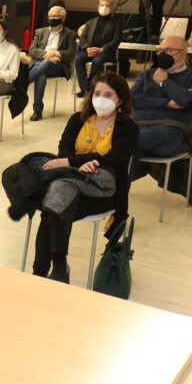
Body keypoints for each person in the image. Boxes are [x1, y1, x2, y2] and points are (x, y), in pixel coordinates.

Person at [31, 72, 138, 283]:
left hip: (102, 191)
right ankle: (57, 268)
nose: (101, 99)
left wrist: (76, 161)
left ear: (120, 100)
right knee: (56, 205)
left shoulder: (129, 129)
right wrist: (79, 162)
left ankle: (42, 273)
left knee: (53, 203)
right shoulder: (77, 119)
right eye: (97, 93)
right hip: (71, 186)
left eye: (108, 95)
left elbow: (114, 160)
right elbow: (64, 150)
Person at [131, 36, 192, 161]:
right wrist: (168, 103)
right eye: (159, 50)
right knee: (128, 150)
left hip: (171, 134)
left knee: (126, 139)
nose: (162, 54)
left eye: (167, 50)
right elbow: (132, 99)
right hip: (140, 127)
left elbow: (189, 101)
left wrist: (164, 82)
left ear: (182, 53)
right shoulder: (147, 74)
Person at [27, 6, 74, 121]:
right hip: (41, 63)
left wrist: (55, 53)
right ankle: (37, 111)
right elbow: (32, 49)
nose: (52, 18)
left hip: (58, 66)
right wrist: (46, 55)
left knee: (46, 64)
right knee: (41, 74)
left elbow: (71, 53)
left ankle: (24, 82)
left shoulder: (70, 33)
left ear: (62, 18)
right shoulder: (40, 31)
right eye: (50, 16)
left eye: (55, 16)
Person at [74, 0, 122, 98]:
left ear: (112, 8)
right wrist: (87, 48)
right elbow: (82, 38)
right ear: (98, 6)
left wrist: (101, 49)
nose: (104, 7)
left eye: (107, 5)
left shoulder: (116, 23)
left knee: (97, 61)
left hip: (106, 52)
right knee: (78, 59)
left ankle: (91, 88)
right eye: (102, 5)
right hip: (89, 50)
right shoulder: (90, 22)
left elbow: (116, 40)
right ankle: (85, 88)